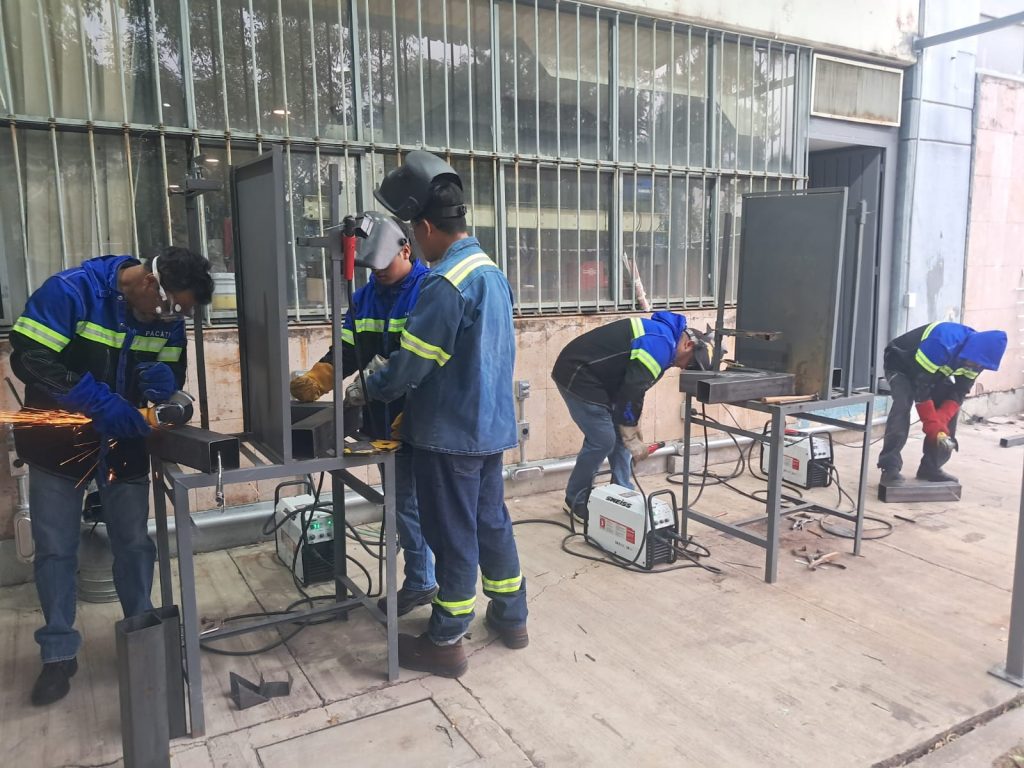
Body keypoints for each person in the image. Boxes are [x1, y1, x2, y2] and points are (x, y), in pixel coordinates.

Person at [346, 150, 528, 678]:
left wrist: (366, 390)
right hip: (489, 428)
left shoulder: (445, 282)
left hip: (449, 434)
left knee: (452, 537)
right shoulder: (489, 271)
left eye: (413, 233)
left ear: (424, 228)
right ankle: (511, 616)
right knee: (491, 523)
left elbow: (412, 365)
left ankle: (446, 639)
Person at [10, 247, 214, 706]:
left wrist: (164, 381)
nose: (171, 319)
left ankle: (140, 634)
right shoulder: (71, 292)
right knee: (56, 549)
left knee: (134, 544)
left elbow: (173, 369)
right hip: (58, 443)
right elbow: (30, 359)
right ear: (149, 283)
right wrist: (95, 400)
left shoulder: (166, 316)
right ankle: (58, 654)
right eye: (169, 307)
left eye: (180, 313)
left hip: (123, 442)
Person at [289, 213, 437, 615]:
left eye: (384, 264)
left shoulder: (429, 291)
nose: (378, 272)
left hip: (423, 419)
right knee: (403, 503)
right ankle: (423, 579)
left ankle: (428, 582)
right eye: (371, 267)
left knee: (421, 505)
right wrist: (320, 376)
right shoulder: (367, 296)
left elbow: (429, 365)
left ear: (406, 249)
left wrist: (416, 411)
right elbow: (349, 349)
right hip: (382, 420)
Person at [552, 312, 712, 518]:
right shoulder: (660, 345)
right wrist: (631, 432)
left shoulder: (665, 340)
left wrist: (629, 428)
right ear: (688, 345)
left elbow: (633, 389)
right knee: (602, 440)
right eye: (690, 363)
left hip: (599, 378)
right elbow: (633, 391)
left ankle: (622, 492)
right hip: (578, 373)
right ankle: (576, 499)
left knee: (620, 436)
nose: (684, 368)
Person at [878, 321, 1006, 485]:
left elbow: (959, 391)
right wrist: (932, 423)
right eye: (975, 362)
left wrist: (942, 420)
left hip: (932, 372)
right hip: (901, 364)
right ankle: (890, 467)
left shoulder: (979, 360)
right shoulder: (943, 342)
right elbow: (920, 388)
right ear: (971, 349)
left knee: (951, 411)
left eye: (980, 365)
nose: (976, 366)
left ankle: (931, 467)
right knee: (903, 403)